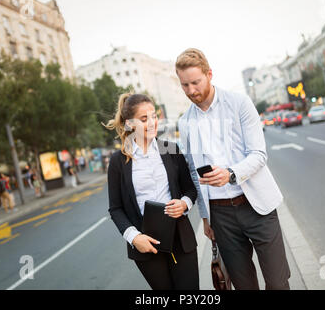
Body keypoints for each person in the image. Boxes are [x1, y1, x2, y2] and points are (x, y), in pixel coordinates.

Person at [175, 48, 290, 290]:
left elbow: (259, 154)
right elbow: (195, 175)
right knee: (243, 286)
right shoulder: (185, 123)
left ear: (209, 74)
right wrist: (206, 217)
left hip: (257, 205)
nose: (191, 91)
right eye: (185, 85)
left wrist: (231, 174)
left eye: (195, 82)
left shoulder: (239, 103)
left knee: (278, 283)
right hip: (221, 215)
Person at [105, 92, 199, 290]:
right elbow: (115, 208)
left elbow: (190, 189)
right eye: (144, 119)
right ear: (130, 124)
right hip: (145, 244)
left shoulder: (170, 149)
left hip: (181, 238)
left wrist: (184, 203)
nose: (152, 123)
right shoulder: (118, 161)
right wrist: (134, 237)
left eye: (154, 117)